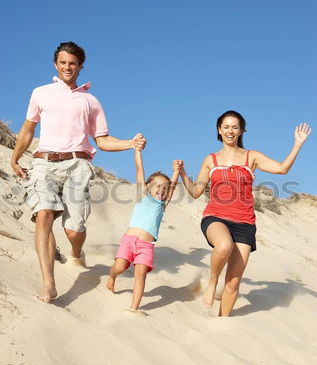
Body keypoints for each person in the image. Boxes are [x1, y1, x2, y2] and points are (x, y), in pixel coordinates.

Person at [10, 41, 146, 304]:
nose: (67, 67)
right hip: (44, 162)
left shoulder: (91, 101)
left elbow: (102, 140)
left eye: (72, 63)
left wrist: (130, 143)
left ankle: (75, 251)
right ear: (55, 64)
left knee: (73, 230)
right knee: (44, 215)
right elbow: (28, 130)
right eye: (62, 62)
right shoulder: (41, 93)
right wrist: (15, 157)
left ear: (80, 66)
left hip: (78, 165)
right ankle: (49, 284)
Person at [176, 110, 311, 317]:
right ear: (219, 131)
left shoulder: (252, 156)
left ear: (241, 131)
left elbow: (282, 169)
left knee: (233, 283)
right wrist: (184, 174)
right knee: (223, 246)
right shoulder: (210, 160)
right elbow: (195, 192)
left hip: (244, 222)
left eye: (235, 127)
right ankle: (213, 282)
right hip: (215, 217)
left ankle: (222, 322)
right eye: (226, 127)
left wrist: (297, 144)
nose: (230, 131)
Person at [106, 149, 180, 312]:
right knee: (119, 267)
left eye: (165, 188)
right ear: (147, 187)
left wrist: (176, 172)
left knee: (141, 274)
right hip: (129, 241)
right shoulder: (142, 196)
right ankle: (112, 276)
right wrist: (138, 151)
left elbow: (173, 187)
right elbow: (139, 169)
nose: (162, 189)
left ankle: (134, 307)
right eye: (158, 186)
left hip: (146, 246)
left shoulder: (162, 205)